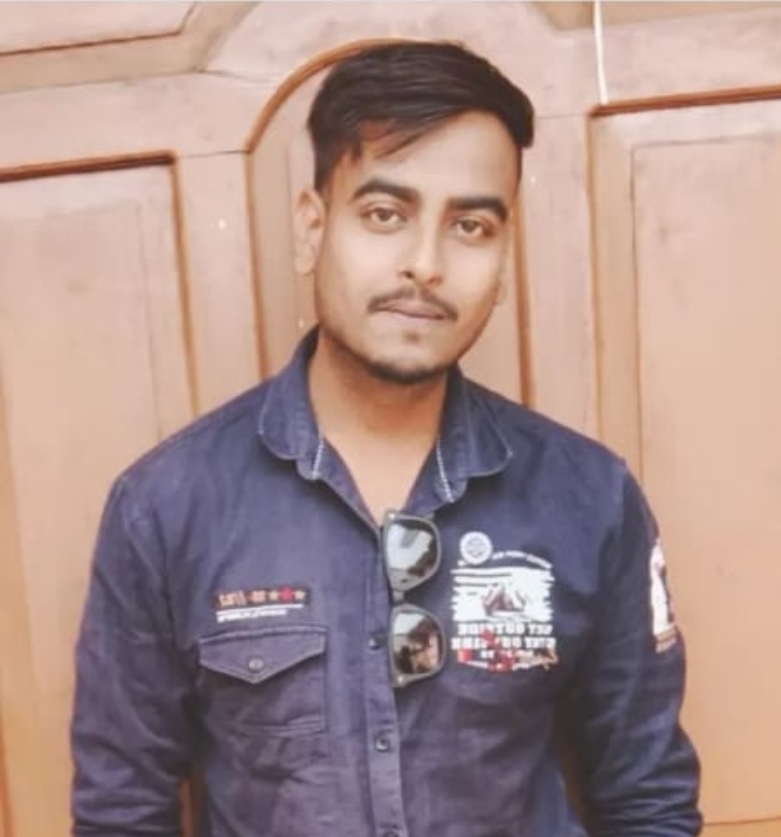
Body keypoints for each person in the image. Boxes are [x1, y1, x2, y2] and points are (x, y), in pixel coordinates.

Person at [71, 41, 702, 837]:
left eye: (469, 225)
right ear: (312, 228)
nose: (425, 264)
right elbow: (121, 814)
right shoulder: (165, 508)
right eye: (384, 214)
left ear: (502, 256)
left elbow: (648, 797)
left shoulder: (587, 497)